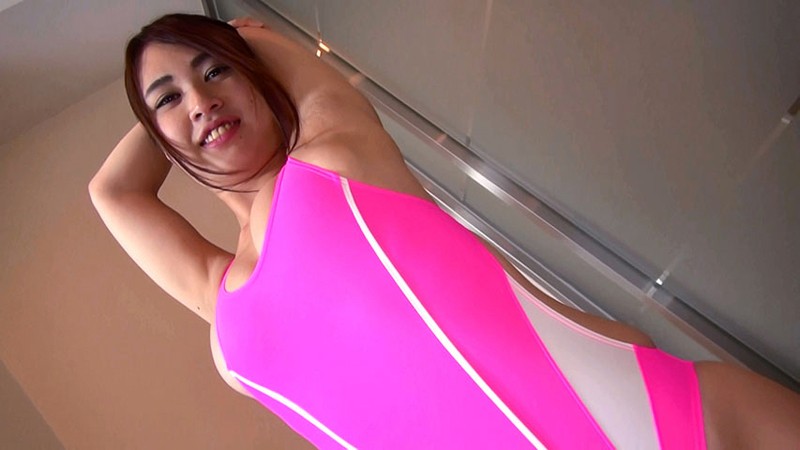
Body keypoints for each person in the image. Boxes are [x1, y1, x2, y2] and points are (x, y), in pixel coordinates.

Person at [89, 13, 799, 449]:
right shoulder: (221, 300)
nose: (201, 99)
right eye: (168, 100)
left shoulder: (333, 159)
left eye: (216, 72)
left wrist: (226, 53)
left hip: (664, 420)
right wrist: (180, 98)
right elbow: (111, 193)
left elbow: (267, 45)